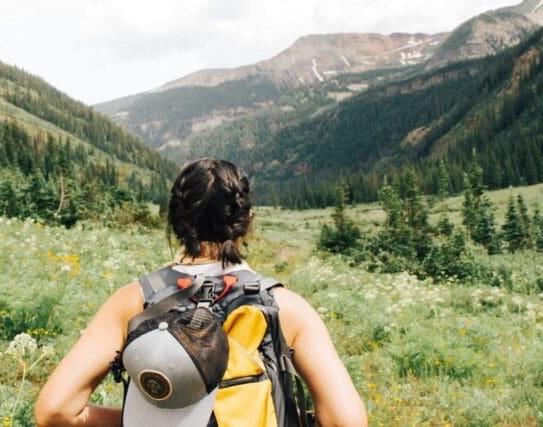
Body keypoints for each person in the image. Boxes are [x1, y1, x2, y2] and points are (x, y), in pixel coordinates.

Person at [34, 159, 367, 427]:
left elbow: (55, 411)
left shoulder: (133, 301)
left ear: (176, 221)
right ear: (246, 221)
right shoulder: (285, 308)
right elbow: (347, 421)